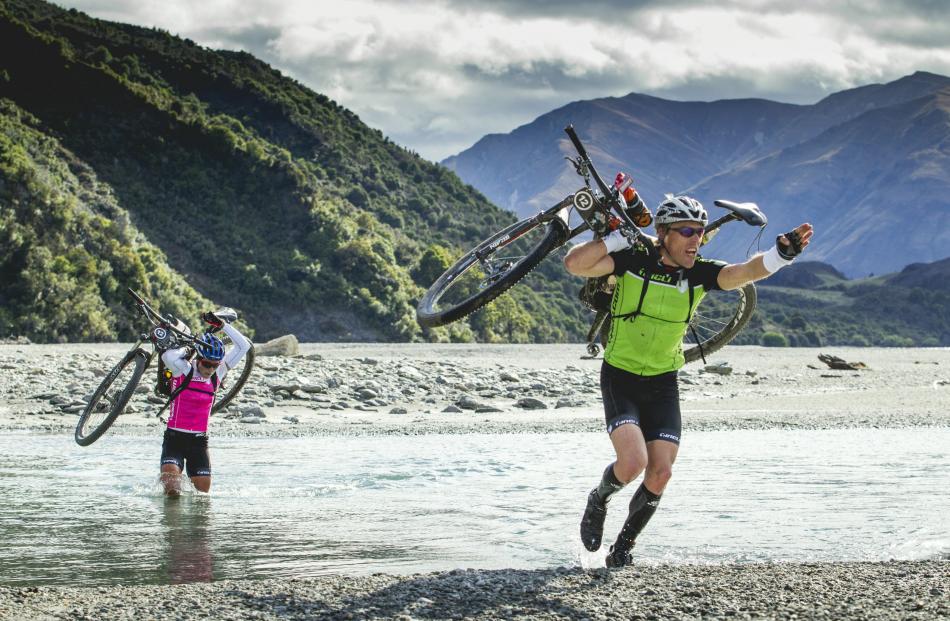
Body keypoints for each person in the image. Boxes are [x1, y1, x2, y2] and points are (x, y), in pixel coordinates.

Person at [563, 194, 813, 567]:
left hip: (663, 381)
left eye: (698, 231)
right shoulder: (634, 261)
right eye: (686, 231)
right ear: (663, 233)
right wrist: (616, 238)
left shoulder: (698, 273)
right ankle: (599, 498)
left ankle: (622, 550)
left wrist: (781, 254)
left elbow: (743, 272)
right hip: (621, 376)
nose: (695, 239)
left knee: (660, 472)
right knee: (632, 463)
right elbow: (575, 264)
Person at [159, 312, 251, 496]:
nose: (210, 369)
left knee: (202, 499)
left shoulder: (218, 373)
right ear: (198, 359)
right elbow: (167, 356)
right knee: (172, 490)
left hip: (199, 442)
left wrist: (223, 325)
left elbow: (244, 346)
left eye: (215, 365)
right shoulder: (183, 370)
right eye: (207, 364)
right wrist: (187, 350)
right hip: (174, 439)